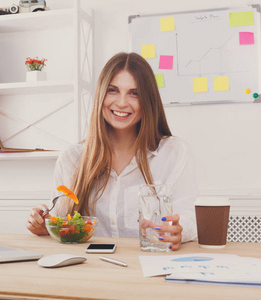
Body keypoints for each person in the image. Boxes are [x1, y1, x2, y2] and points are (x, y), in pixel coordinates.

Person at [26, 52, 198, 250]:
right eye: (113, 90)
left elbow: (190, 218)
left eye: (134, 93)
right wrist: (43, 224)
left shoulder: (174, 153)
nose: (122, 103)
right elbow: (59, 221)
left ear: (148, 101)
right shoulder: (72, 158)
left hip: (151, 264)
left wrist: (179, 229)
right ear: (100, 95)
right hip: (91, 269)